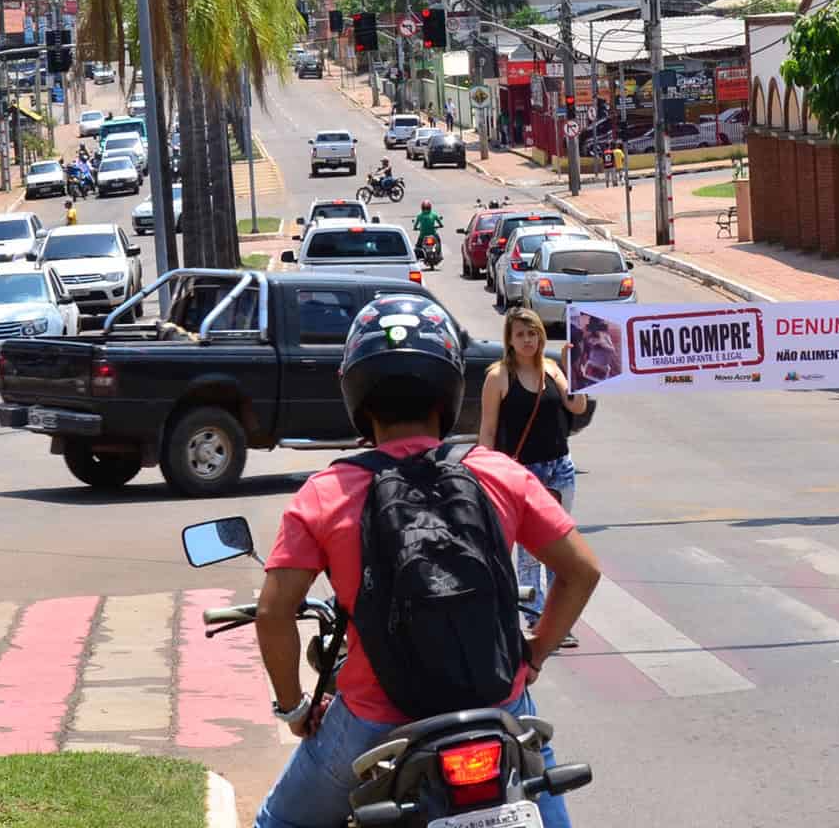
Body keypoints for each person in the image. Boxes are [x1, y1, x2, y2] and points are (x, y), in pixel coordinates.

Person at [252, 294, 602, 828]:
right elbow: (582, 570)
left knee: (278, 822)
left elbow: (273, 612)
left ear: (358, 396)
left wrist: (296, 709)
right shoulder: (496, 472)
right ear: (448, 390)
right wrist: (532, 655)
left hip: (375, 718)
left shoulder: (326, 492)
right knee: (540, 787)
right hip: (497, 705)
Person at [480, 306, 591, 650]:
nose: (528, 340)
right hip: (521, 474)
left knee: (559, 548)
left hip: (560, 469)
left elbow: (577, 407)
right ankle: (534, 619)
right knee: (530, 551)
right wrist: (484, 474)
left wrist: (575, 370)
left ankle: (558, 624)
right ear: (510, 340)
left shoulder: (553, 369)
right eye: (520, 335)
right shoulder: (499, 376)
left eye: (532, 333)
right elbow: (488, 430)